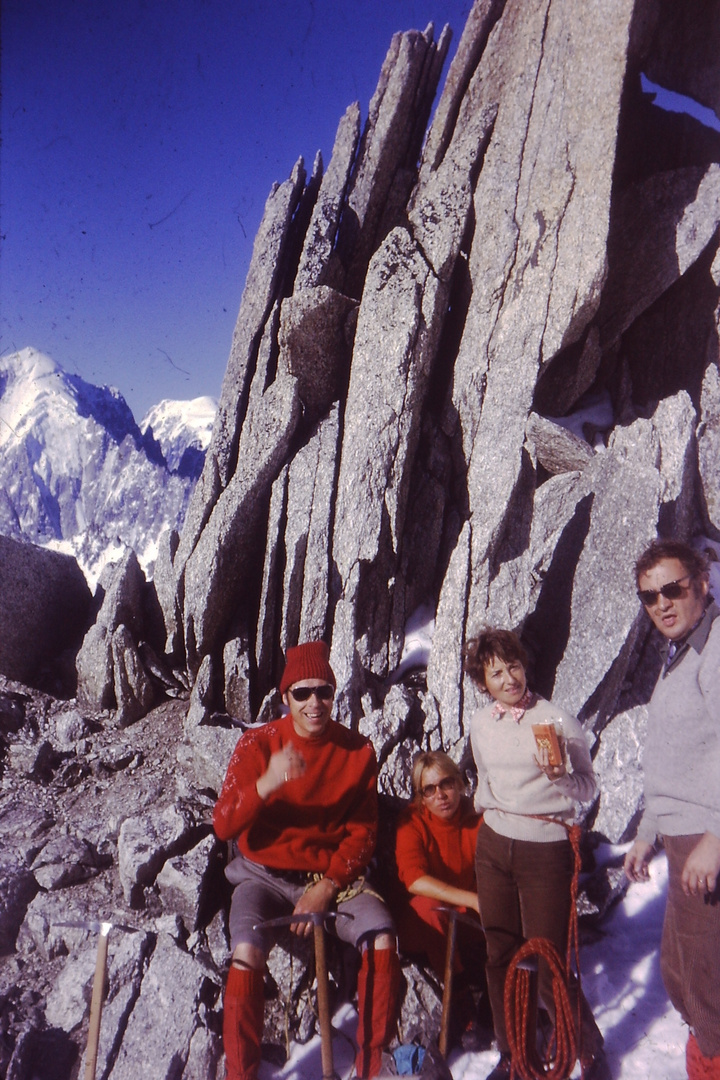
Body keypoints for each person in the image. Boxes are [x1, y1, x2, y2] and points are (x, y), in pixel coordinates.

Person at [213, 640, 400, 1080]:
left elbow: (363, 832)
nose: (314, 703)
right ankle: (242, 1073)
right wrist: (267, 783)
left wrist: (327, 886)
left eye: (324, 691)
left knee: (382, 938)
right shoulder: (258, 744)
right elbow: (223, 824)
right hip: (263, 875)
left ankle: (371, 1066)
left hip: (333, 878)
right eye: (302, 693)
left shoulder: (358, 752)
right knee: (245, 952)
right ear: (285, 697)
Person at [464, 628, 608, 1080]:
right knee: (500, 955)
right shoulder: (482, 723)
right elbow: (484, 777)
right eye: (496, 672)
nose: (508, 678)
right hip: (493, 846)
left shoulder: (557, 720)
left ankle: (587, 1048)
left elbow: (588, 787)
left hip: (544, 848)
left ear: (525, 666)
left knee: (547, 961)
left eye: (514, 666)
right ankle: (514, 1056)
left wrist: (561, 777)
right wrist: (485, 809)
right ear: (482, 682)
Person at [623, 539, 720, 1080]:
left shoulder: (716, 647)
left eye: (672, 588)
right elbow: (674, 762)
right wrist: (647, 833)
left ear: (702, 584)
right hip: (685, 839)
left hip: (707, 841)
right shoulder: (683, 652)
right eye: (649, 595)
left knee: (709, 990)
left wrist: (717, 837)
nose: (661, 603)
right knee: (683, 974)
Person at [394, 751, 488, 1049]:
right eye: (429, 790)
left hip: (467, 918)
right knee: (430, 908)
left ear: (460, 784)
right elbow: (414, 879)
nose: (440, 795)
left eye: (446, 784)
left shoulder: (477, 822)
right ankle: (460, 1001)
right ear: (421, 797)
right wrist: (471, 899)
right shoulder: (411, 822)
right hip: (426, 924)